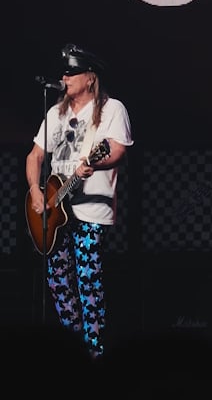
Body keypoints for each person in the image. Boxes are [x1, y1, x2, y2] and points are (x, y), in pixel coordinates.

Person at [25, 43, 134, 359]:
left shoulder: (111, 109)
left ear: (90, 77)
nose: (65, 77)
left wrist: (95, 164)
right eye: (64, 72)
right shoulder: (55, 113)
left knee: (88, 280)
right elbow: (35, 156)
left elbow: (117, 149)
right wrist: (35, 189)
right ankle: (71, 348)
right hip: (55, 209)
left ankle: (94, 352)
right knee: (58, 282)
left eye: (72, 72)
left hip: (91, 209)